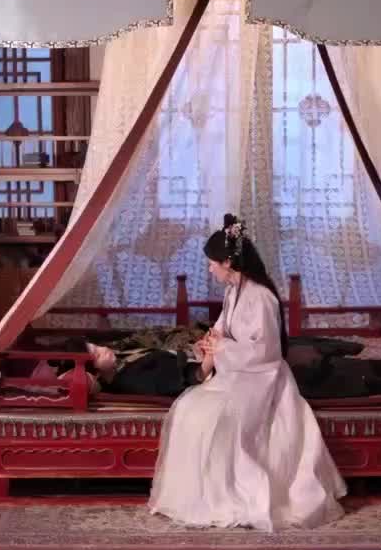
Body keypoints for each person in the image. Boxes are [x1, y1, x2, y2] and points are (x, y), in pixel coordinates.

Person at [148, 215, 346, 531]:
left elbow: (267, 352)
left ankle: (235, 495)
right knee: (188, 409)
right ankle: (205, 496)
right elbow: (221, 329)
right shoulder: (233, 292)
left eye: (212, 263)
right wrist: (209, 342)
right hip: (237, 373)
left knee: (217, 417)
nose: (210, 269)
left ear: (228, 262)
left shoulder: (262, 297)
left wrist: (223, 347)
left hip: (262, 378)